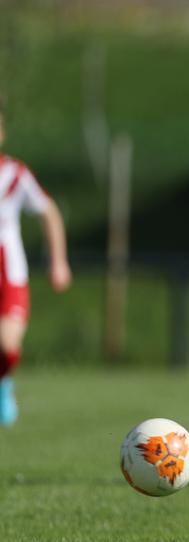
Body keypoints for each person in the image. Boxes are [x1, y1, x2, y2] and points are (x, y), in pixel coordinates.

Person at [0, 110, 72, 426]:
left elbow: (49, 212)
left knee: (7, 344)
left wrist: (58, 261)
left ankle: (3, 383)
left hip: (9, 274)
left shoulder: (15, 174)